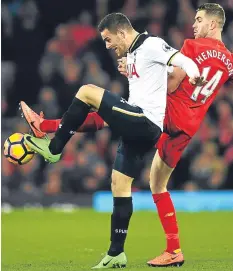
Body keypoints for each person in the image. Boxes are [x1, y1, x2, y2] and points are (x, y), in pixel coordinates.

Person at [22, 12, 203, 269]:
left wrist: (194, 73)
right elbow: (147, 81)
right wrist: (129, 70)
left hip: (146, 121)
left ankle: (53, 148)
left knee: (86, 91)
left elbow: (180, 59)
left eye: (108, 39)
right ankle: (116, 253)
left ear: (121, 32)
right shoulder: (134, 55)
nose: (108, 46)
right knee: (119, 184)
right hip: (137, 124)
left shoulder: (151, 44)